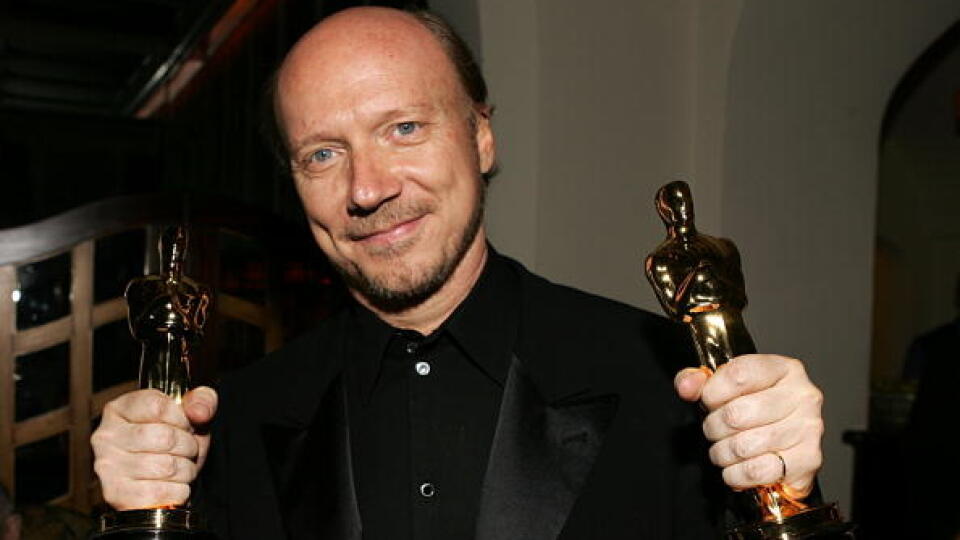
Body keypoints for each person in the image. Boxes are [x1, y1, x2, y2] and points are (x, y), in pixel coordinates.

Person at [91, 7, 827, 539]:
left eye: (403, 128)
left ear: (480, 137)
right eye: (322, 153)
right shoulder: (239, 421)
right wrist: (140, 516)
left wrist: (789, 498)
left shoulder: (663, 382)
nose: (367, 187)